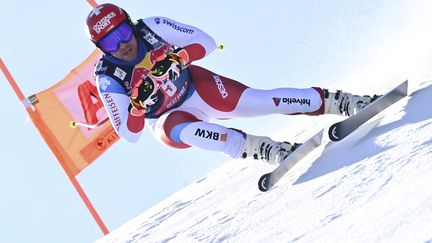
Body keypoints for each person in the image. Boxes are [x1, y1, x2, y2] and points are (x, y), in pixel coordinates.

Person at [85, 3, 376, 165]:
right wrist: (137, 107)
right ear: (100, 48)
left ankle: (343, 101)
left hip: (196, 87)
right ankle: (266, 149)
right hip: (167, 118)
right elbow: (129, 133)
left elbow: (206, 42)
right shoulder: (108, 76)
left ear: (130, 23)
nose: (122, 44)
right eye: (110, 42)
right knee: (189, 131)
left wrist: (179, 58)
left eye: (122, 32)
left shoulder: (151, 27)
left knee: (260, 102)